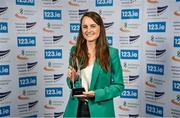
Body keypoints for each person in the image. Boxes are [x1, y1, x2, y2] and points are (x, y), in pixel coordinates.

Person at [63, 11, 124, 118]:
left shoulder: (112, 53)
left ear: (100, 28)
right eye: (85, 27)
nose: (88, 30)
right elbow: (70, 84)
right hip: (76, 109)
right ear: (81, 30)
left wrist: (96, 94)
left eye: (93, 26)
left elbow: (119, 86)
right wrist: (74, 78)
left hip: (101, 111)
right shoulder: (75, 51)